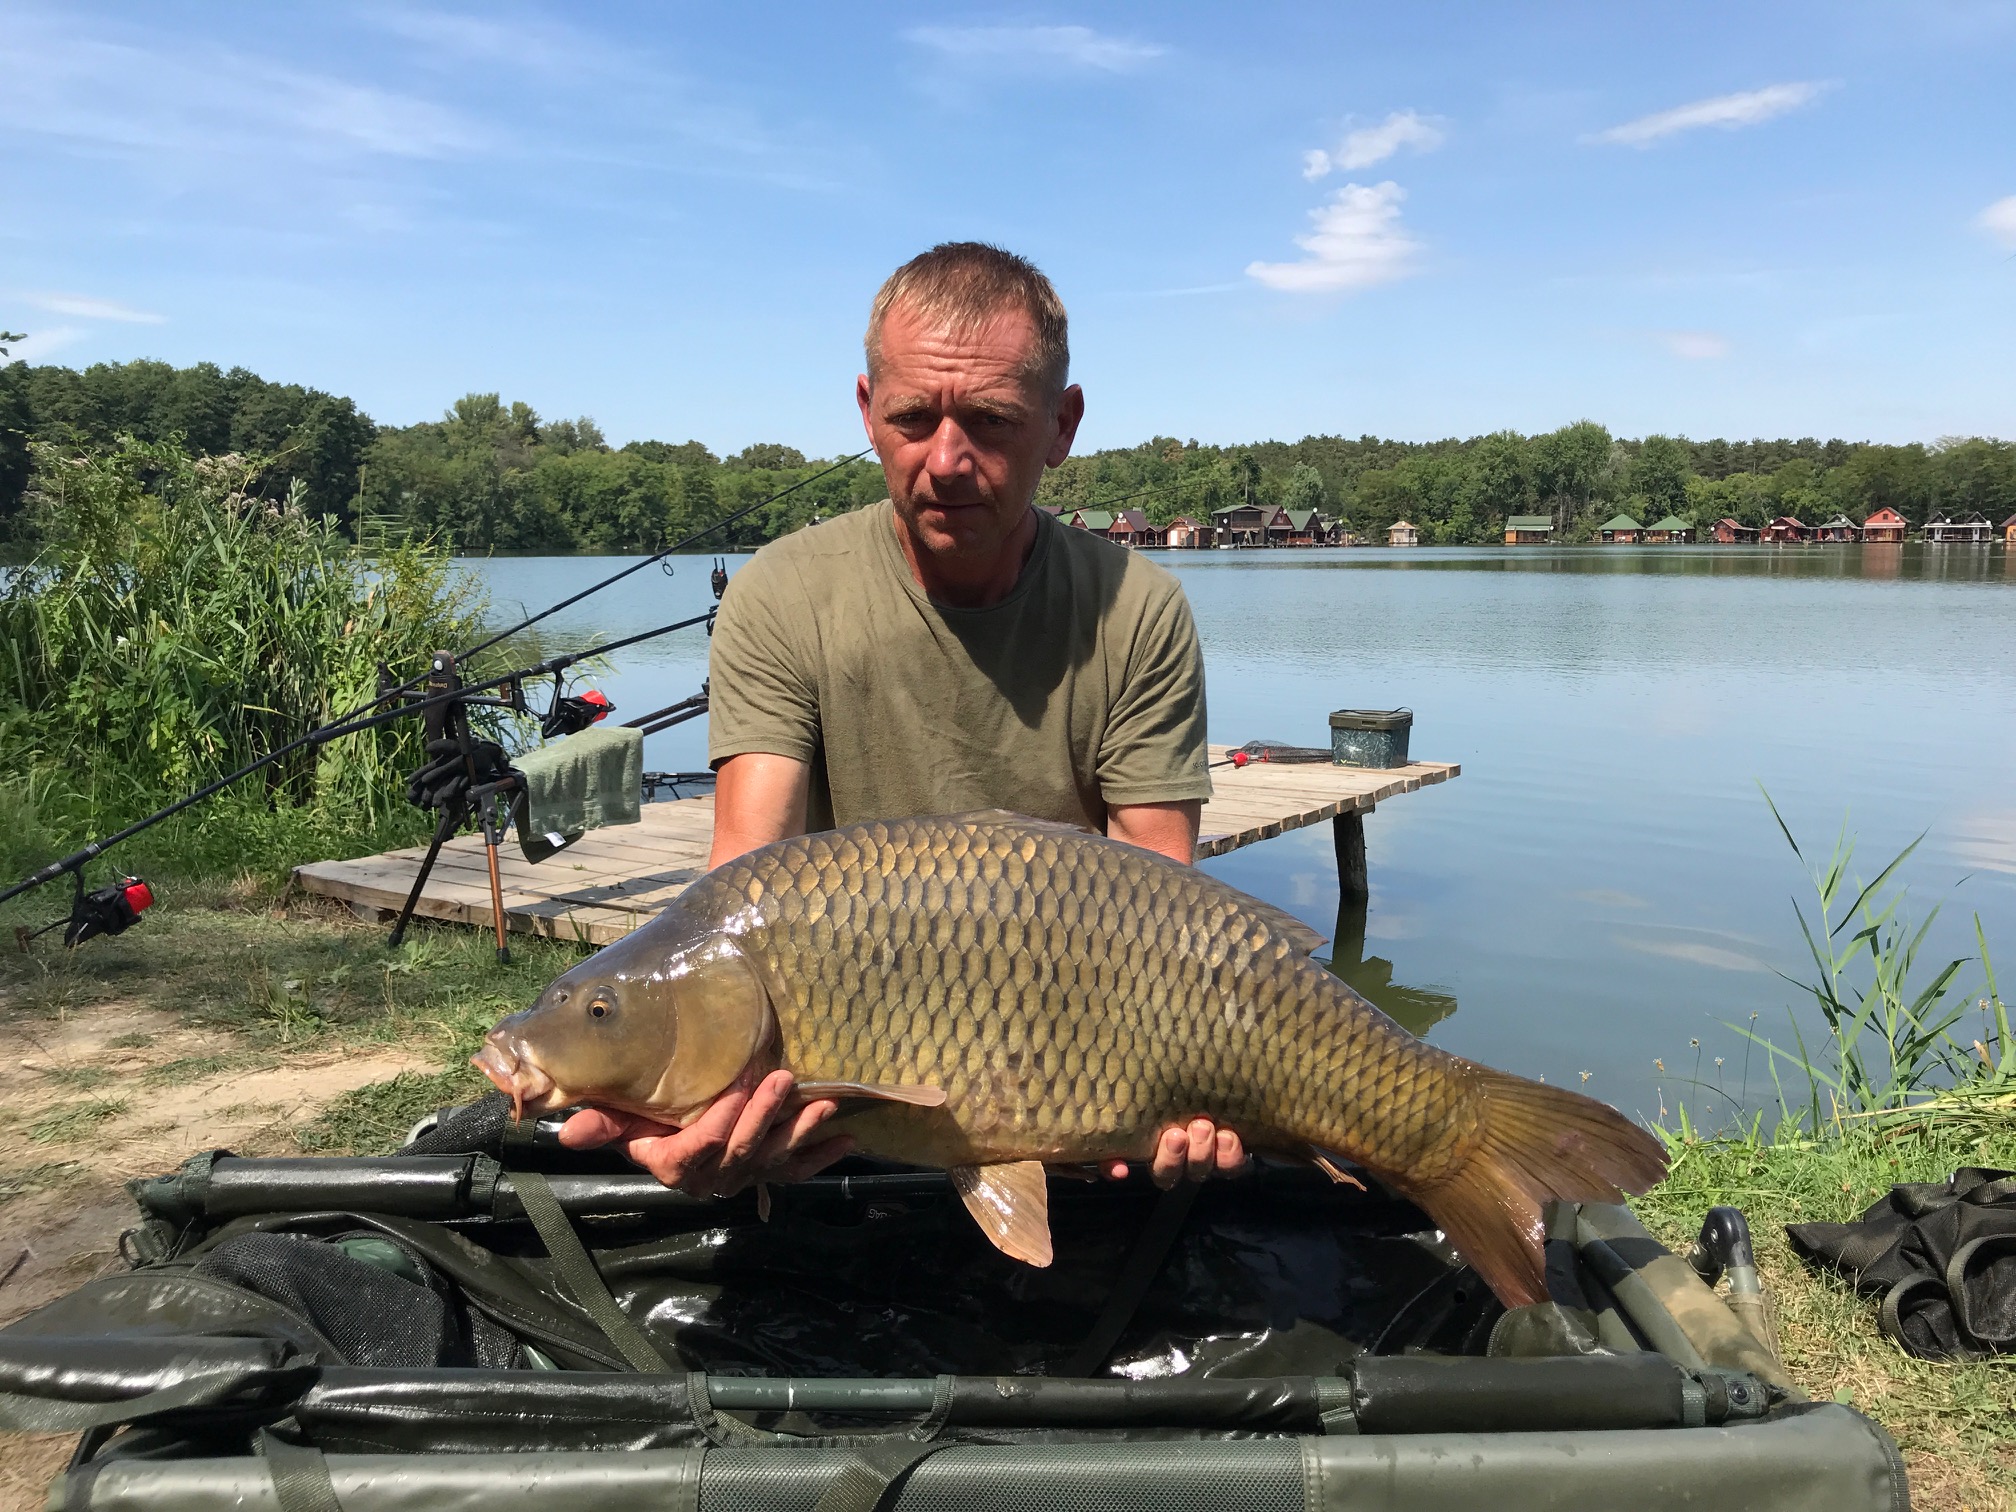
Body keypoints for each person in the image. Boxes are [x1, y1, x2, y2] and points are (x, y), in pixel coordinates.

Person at [562, 243, 1248, 1197]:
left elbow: (1165, 904)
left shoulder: (1137, 608)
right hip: (846, 1089)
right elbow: (745, 877)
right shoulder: (782, 596)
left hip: (1075, 1068)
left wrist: (1190, 1082)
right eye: (913, 418)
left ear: (1062, 425)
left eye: (992, 421)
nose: (948, 461)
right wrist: (688, 1102)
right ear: (866, 411)